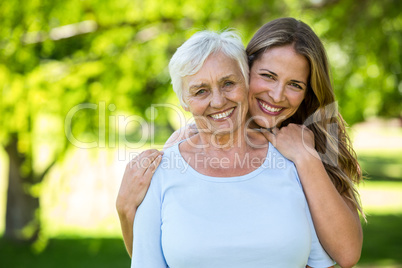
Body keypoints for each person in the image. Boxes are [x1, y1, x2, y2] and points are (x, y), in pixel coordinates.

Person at [116, 17, 364, 267]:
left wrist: (305, 157)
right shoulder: (176, 155)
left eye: (295, 85)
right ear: (247, 70)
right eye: (268, 76)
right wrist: (126, 211)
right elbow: (156, 253)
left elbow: (345, 253)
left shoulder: (303, 151)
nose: (277, 96)